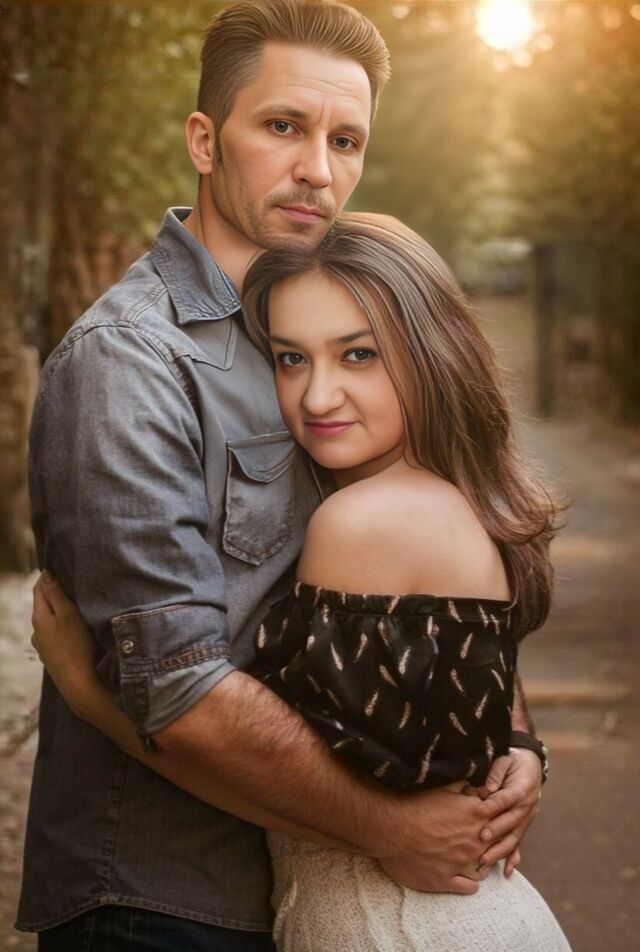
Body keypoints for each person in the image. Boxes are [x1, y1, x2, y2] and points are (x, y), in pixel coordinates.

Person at [18, 1, 545, 949]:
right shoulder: (129, 362)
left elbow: (428, 590)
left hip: (314, 898)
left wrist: (512, 736)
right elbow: (176, 690)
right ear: (204, 140)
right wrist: (389, 828)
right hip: (165, 900)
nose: (318, 170)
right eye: (283, 126)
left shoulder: (332, 324)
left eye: (346, 140)